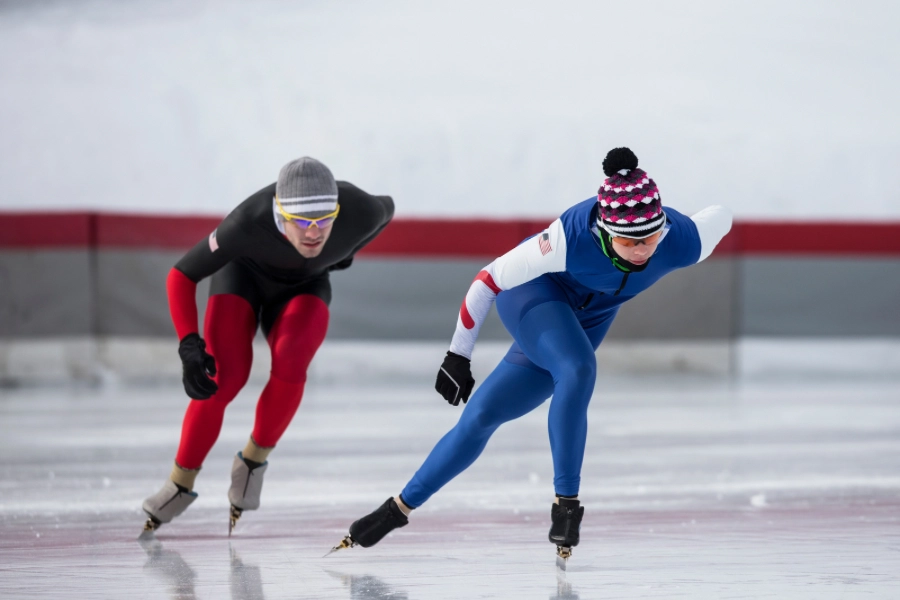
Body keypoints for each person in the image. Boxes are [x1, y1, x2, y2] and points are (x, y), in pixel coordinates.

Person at [337, 147, 732, 557]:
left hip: (588, 319)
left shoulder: (681, 241)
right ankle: (567, 507)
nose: (641, 250)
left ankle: (394, 510)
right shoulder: (567, 239)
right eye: (628, 239)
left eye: (649, 238)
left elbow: (721, 215)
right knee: (577, 368)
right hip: (537, 295)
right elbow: (487, 281)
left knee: (483, 416)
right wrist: (458, 355)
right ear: (603, 230)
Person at [142, 157, 394, 534]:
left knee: (293, 359)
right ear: (280, 213)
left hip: (305, 287)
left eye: (325, 221)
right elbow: (181, 276)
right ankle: (179, 484)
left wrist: (349, 250)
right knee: (225, 378)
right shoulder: (247, 222)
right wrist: (189, 345)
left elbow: (387, 211)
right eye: (301, 222)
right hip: (241, 278)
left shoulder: (362, 210)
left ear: (338, 211)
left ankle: (253, 463)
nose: (314, 233)